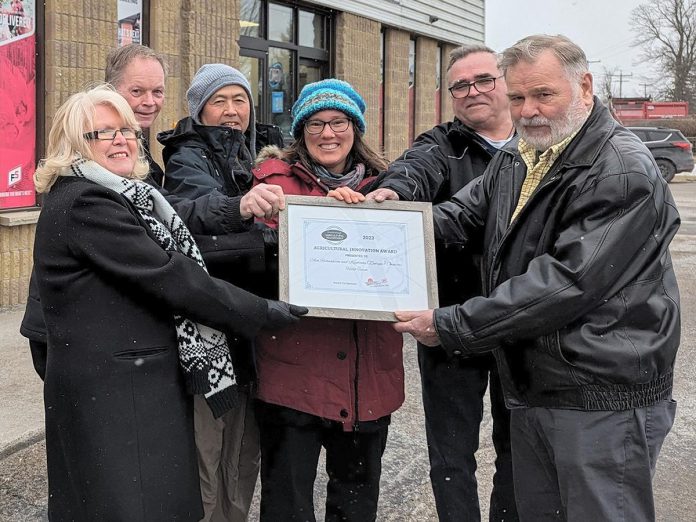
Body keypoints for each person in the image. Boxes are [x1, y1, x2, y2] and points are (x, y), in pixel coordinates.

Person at [393, 34, 680, 521]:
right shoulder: (521, 156)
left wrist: (452, 325)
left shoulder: (620, 170)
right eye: (519, 96)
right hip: (538, 384)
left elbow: (565, 282)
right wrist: (383, 222)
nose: (528, 110)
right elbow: (460, 214)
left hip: (598, 394)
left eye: (544, 94)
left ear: (585, 87)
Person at [31, 84, 306, 521]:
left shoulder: (125, 196)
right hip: (117, 393)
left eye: (124, 130)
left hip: (127, 387)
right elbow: (171, 277)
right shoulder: (85, 201)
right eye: (102, 133)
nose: (120, 139)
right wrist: (261, 311)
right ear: (73, 145)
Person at [21, 46, 285, 384]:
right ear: (110, 90)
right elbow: (165, 247)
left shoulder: (135, 157)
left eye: (157, 91)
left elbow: (167, 215)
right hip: (78, 335)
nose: (150, 101)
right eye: (137, 91)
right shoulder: (94, 174)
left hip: (103, 332)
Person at [367, 44, 518, 522]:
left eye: (484, 80)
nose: (472, 91)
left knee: (519, 447)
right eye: (460, 85)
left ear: (506, 81)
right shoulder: (442, 144)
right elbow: (414, 169)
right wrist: (392, 191)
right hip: (449, 322)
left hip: (521, 319)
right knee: (452, 456)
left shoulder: (538, 142)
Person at [250, 79, 404, 522]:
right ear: (300, 132)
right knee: (286, 503)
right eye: (315, 124)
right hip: (293, 376)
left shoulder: (390, 189)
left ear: (356, 128)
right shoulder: (273, 186)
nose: (328, 133)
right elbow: (255, 270)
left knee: (356, 504)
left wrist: (364, 219)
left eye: (338, 122)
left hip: (367, 379)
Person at [158, 63, 284, 522]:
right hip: (212, 328)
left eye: (240, 100)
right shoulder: (187, 155)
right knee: (208, 451)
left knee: (245, 449)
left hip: (252, 327)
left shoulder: (266, 157)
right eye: (219, 101)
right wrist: (247, 215)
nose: (232, 111)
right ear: (200, 109)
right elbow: (191, 217)